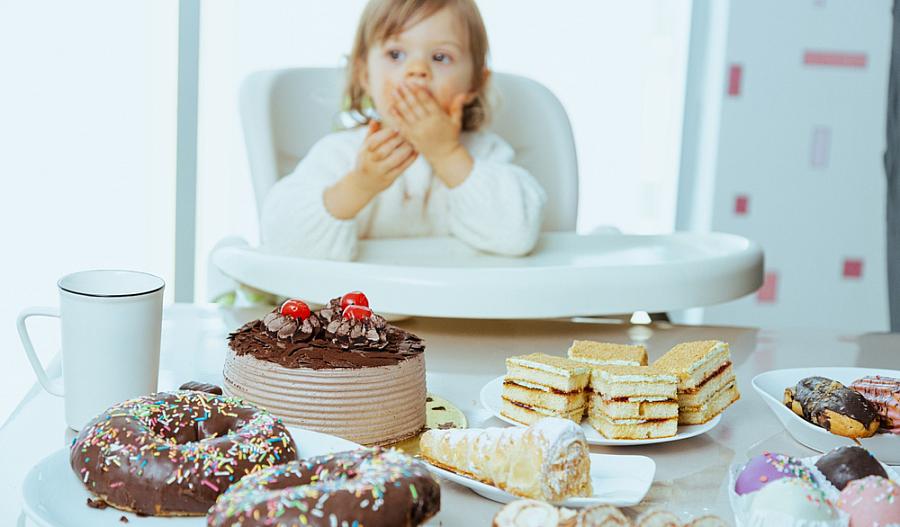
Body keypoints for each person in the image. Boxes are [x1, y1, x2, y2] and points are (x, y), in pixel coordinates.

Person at [260, 0, 547, 261]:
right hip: (365, 315)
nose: (417, 69)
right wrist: (360, 185)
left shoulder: (486, 154)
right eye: (396, 54)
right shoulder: (340, 155)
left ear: (475, 82)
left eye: (440, 57)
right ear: (364, 75)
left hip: (457, 315)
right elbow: (282, 242)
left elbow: (517, 235)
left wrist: (447, 154)